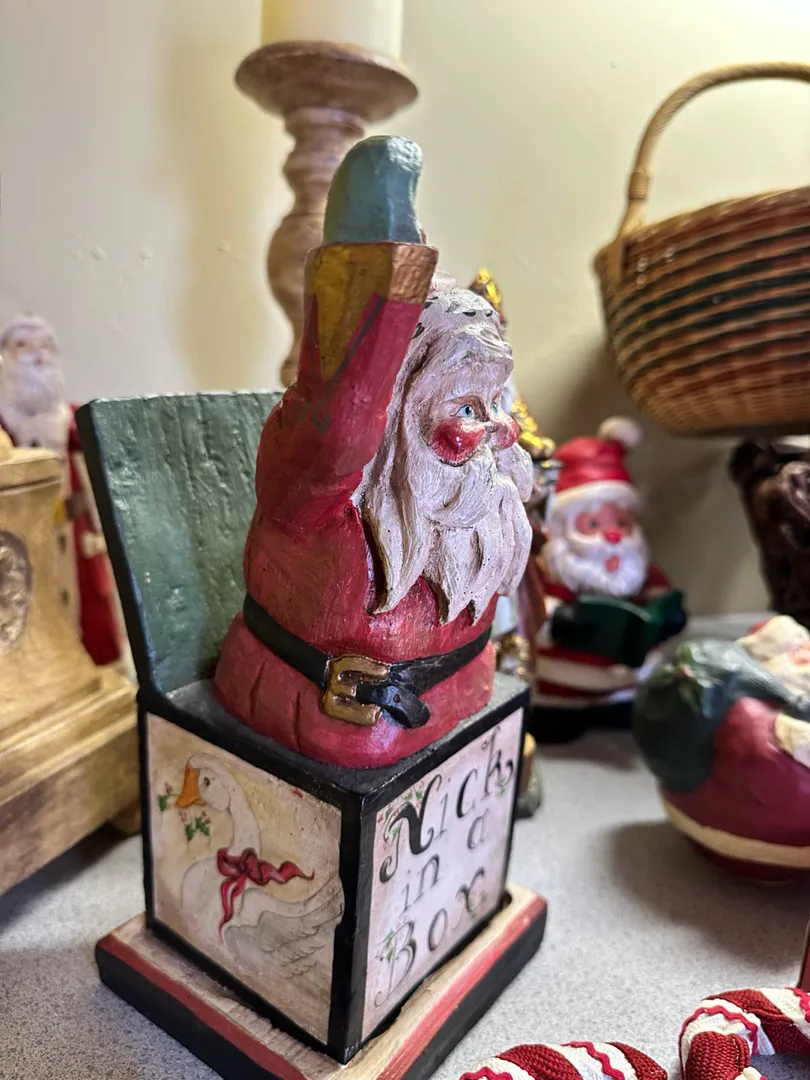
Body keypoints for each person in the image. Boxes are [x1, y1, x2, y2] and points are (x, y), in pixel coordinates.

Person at [214, 137, 534, 769]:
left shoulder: (478, 511)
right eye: (470, 409)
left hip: (462, 717)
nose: (504, 432)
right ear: (396, 410)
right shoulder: (328, 490)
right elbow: (338, 419)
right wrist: (381, 276)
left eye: (498, 404)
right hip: (321, 735)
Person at [532, 417, 686, 742]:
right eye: (593, 524)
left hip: (623, 687)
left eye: (621, 522)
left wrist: (668, 616)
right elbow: (529, 610)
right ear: (563, 527)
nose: (612, 535)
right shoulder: (551, 568)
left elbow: (661, 596)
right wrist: (558, 620)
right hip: (560, 689)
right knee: (552, 725)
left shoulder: (639, 569)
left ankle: (614, 705)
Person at [0, 314, 124, 667]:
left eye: (45, 346)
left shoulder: (71, 417)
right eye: (22, 346)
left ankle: (101, 666)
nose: (37, 356)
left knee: (89, 603)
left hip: (72, 528)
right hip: (18, 533)